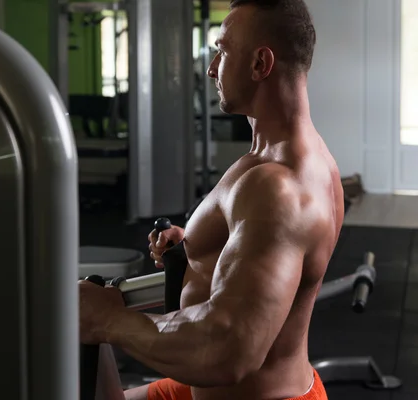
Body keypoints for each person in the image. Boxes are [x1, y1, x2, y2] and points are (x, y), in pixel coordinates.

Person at [78, 1, 344, 399]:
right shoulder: (276, 157)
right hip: (199, 387)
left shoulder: (280, 187)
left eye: (222, 50)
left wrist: (107, 320)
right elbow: (258, 239)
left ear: (260, 64)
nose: (211, 67)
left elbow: (230, 350)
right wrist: (198, 243)